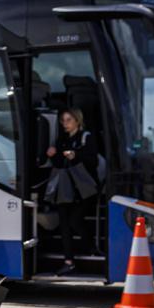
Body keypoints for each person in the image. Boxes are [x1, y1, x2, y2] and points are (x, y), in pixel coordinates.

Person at [46, 108, 99, 276]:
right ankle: (68, 261)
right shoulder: (61, 140)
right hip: (66, 187)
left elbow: (93, 161)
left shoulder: (86, 137)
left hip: (83, 188)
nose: (65, 124)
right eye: (63, 120)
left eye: (68, 120)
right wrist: (53, 155)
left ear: (77, 120)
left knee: (75, 220)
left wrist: (75, 155)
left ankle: (90, 247)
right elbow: (60, 164)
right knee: (64, 224)